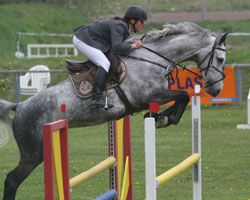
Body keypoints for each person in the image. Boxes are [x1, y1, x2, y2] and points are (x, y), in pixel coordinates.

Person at [73, 5, 147, 108]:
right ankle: (96, 98)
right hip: (83, 39)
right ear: (133, 21)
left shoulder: (124, 28)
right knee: (104, 63)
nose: (143, 24)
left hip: (89, 38)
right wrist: (134, 45)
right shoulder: (120, 26)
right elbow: (116, 47)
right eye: (142, 22)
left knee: (106, 61)